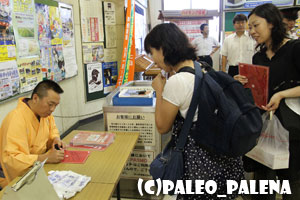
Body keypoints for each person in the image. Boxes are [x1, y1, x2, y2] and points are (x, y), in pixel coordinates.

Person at [144, 23, 243, 199]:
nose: (153, 59)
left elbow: (162, 126)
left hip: (200, 163)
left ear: (163, 49)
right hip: (222, 158)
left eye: (152, 52)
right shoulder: (201, 66)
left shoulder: (178, 81)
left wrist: (159, 89)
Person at [235, 3, 300, 199]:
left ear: (272, 23)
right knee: (263, 178)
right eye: (250, 27)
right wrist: (244, 83)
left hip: (291, 127)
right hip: (264, 125)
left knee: (291, 179)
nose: (252, 31)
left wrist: (281, 94)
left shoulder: (295, 49)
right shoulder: (259, 57)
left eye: (256, 25)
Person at [0, 80, 66, 188]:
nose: (52, 109)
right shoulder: (15, 119)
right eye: (50, 104)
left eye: (56, 105)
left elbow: (52, 131)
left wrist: (55, 140)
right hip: (13, 178)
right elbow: (11, 160)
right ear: (35, 98)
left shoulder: (45, 115)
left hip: (37, 168)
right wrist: (45, 158)